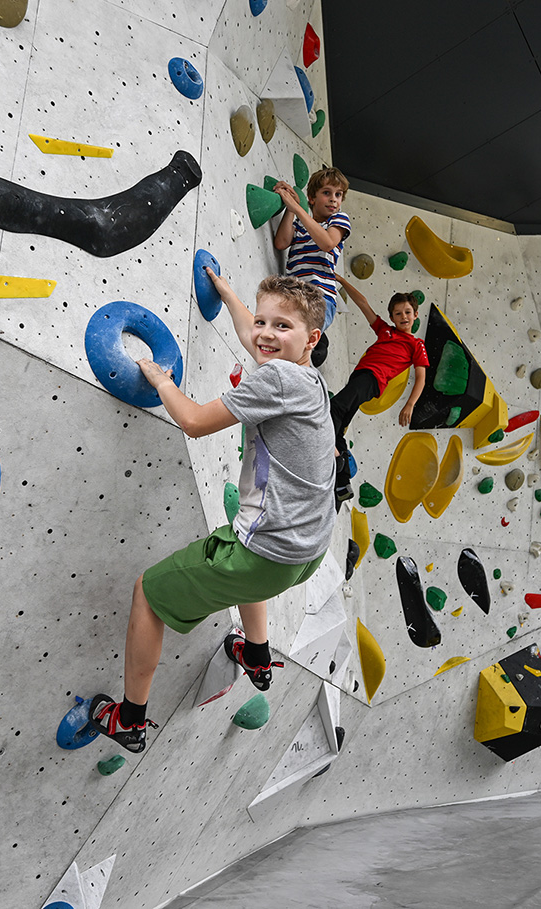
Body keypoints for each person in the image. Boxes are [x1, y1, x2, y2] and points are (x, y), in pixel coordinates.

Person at [88, 272, 336, 753]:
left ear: (311, 338)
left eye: (281, 326)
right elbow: (257, 338)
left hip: (264, 553)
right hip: (305, 550)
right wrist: (229, 294)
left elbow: (195, 421)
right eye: (262, 320)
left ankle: (129, 719)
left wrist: (160, 379)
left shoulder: (280, 378)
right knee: (247, 570)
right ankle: (257, 657)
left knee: (149, 592)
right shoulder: (308, 377)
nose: (265, 333)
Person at [330, 274, 429, 502]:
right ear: (391, 317)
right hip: (360, 377)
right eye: (398, 313)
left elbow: (421, 378)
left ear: (415, 315)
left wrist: (410, 404)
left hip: (373, 379)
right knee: (341, 423)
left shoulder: (416, 345)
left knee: (334, 408)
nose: (403, 317)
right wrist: (343, 282)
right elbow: (363, 303)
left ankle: (330, 455)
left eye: (407, 312)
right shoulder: (384, 330)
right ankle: (342, 483)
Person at [273, 166, 351, 366]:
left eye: (338, 195)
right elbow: (281, 242)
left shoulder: (338, 220)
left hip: (320, 298)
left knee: (299, 344)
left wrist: (297, 208)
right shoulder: (301, 224)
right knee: (284, 344)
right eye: (327, 193)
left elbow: (327, 242)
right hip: (294, 294)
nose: (334, 199)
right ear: (312, 198)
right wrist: (291, 209)